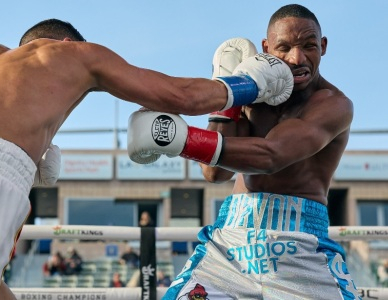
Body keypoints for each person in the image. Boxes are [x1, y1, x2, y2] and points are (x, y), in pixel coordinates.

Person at [0, 17, 292, 299]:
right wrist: (247, 84)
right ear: (69, 44)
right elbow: (179, 96)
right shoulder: (70, 55)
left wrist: (19, 166)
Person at [128, 4, 360, 300]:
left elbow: (270, 156)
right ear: (266, 48)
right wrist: (229, 92)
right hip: (231, 243)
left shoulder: (334, 105)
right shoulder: (252, 94)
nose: (297, 58)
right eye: (284, 47)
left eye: (309, 46)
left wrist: (178, 138)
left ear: (323, 46)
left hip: (302, 244)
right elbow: (215, 172)